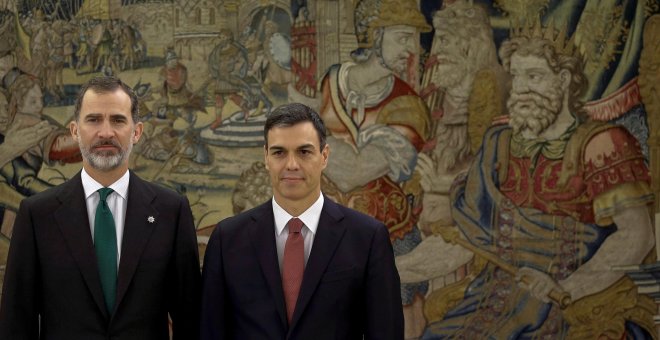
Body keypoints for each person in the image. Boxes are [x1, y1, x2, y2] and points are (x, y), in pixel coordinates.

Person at [422, 24, 655, 338]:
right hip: (496, 298)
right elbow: (473, 236)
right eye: (517, 76)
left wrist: (566, 287)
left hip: (578, 301)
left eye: (534, 76)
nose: (521, 88)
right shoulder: (498, 144)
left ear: (563, 80)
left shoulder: (603, 144)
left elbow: (637, 236)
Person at [0, 75, 201, 339]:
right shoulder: (38, 215)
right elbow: (17, 323)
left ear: (137, 132)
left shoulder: (171, 212)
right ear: (74, 131)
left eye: (118, 120)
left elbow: (192, 321)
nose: (106, 132)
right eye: (93, 119)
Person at [200, 103, 403, 339]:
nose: (292, 164)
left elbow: (386, 332)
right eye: (279, 152)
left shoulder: (367, 238)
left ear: (324, 156)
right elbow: (210, 331)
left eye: (304, 152)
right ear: (266, 157)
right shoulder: (228, 240)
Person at [317, 0, 431, 336]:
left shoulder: (409, 105)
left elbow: (352, 172)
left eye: (415, 39)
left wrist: (310, 134)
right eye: (402, 37)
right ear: (373, 36)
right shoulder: (333, 80)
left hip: (387, 237)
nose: (413, 49)